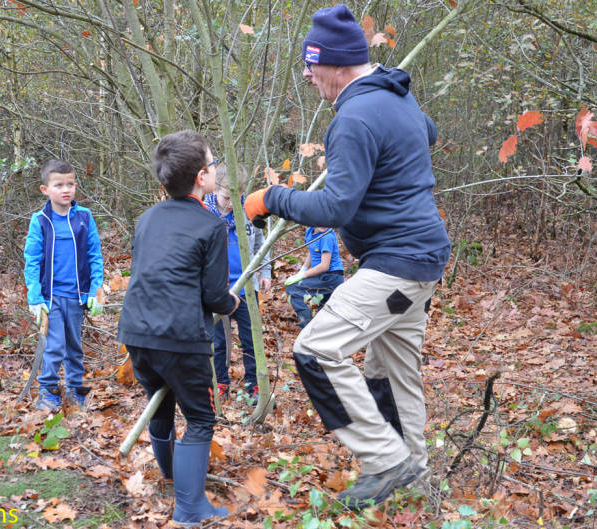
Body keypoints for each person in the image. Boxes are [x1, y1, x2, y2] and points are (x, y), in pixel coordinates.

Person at [243, 4, 450, 509]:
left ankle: (385, 460)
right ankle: (416, 486)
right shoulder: (395, 96)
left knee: (315, 349)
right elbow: (429, 132)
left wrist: (271, 198)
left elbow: (334, 207)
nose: (309, 77)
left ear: (334, 63)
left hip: (398, 261)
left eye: (311, 67)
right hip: (418, 257)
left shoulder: (355, 116)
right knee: (391, 372)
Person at [117, 130, 240, 527]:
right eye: (214, 162)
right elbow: (214, 296)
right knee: (201, 418)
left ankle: (174, 480)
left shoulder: (147, 218)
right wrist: (232, 303)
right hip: (181, 338)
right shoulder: (211, 227)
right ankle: (189, 508)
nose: (218, 168)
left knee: (161, 406)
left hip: (137, 332)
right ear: (203, 177)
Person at [24, 159, 104, 412]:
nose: (65, 189)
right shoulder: (40, 220)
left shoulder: (84, 217)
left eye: (70, 184)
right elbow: (32, 262)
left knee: (74, 345)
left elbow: (95, 255)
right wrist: (35, 298)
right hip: (51, 297)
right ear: (45, 189)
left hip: (77, 296)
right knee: (54, 344)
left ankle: (75, 390)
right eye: (58, 185)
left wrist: (96, 290)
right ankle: (48, 390)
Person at [204, 163, 271, 403]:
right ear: (215, 191)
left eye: (237, 197)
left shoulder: (248, 212)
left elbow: (262, 244)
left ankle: (254, 385)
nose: (231, 202)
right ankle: (220, 383)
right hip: (217, 288)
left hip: (245, 286)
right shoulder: (205, 213)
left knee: (251, 339)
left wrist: (265, 272)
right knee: (218, 342)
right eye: (226, 197)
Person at [284, 226, 344, 329]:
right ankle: (319, 336)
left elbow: (324, 266)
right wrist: (303, 269)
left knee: (293, 289)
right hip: (322, 276)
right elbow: (312, 251)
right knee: (323, 313)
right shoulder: (309, 231)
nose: (323, 224)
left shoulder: (327, 237)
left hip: (331, 277)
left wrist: (302, 276)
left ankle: (306, 327)